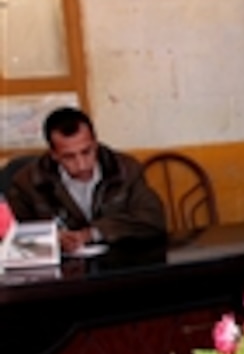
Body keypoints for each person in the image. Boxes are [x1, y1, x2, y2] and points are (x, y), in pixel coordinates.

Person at [7, 106, 166, 252]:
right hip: (62, 274)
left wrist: (94, 233)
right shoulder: (27, 182)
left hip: (121, 263)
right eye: (69, 157)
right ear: (53, 154)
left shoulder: (125, 169)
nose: (82, 165)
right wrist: (51, 239)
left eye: (86, 152)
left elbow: (153, 220)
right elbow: (12, 236)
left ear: (95, 143)